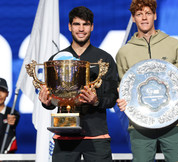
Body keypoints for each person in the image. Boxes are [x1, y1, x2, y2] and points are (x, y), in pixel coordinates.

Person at [116, 0, 178, 161]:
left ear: (155, 15)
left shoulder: (173, 44)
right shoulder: (124, 52)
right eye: (139, 14)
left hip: (173, 124)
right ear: (133, 18)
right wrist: (122, 99)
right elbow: (121, 85)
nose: (144, 18)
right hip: (139, 127)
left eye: (148, 13)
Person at [38, 6, 118, 162]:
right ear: (69, 26)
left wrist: (96, 101)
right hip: (65, 134)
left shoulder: (104, 59)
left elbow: (112, 97)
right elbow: (52, 99)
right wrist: (47, 102)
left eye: (85, 24)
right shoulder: (57, 59)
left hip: (96, 135)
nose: (81, 29)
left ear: (92, 27)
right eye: (76, 24)